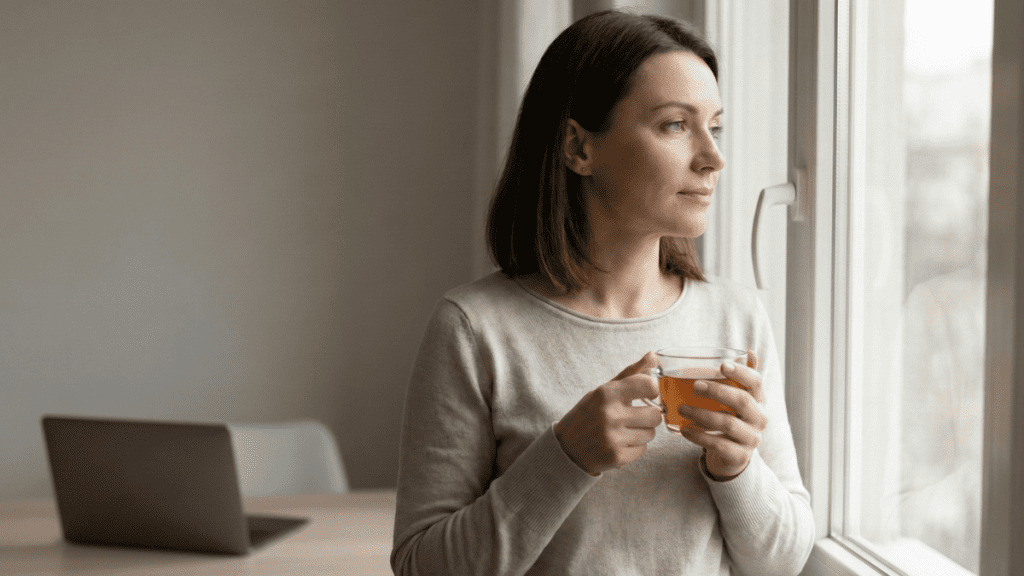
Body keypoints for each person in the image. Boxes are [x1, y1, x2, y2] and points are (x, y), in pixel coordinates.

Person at [390, 9, 815, 576]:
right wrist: (567, 456)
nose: (713, 157)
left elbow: (782, 562)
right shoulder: (473, 329)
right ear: (578, 147)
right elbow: (421, 566)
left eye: (714, 126)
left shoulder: (737, 319)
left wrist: (737, 471)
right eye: (674, 125)